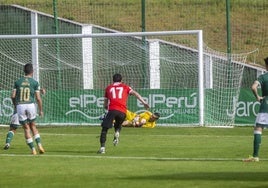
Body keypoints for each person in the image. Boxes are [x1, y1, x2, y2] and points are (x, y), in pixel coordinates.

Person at [97, 73, 149, 154]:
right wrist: (144, 102)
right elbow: (135, 93)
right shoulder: (125, 87)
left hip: (112, 110)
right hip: (122, 111)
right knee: (118, 124)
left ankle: (102, 148)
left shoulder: (108, 88)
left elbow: (105, 103)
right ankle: (117, 132)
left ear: (112, 80)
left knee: (104, 129)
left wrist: (106, 107)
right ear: (121, 80)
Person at [11, 63, 45, 155]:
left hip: (20, 105)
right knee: (33, 126)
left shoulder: (17, 82)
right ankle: (40, 145)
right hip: (30, 105)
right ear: (32, 72)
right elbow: (38, 98)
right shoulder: (35, 82)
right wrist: (41, 110)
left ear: (24, 71)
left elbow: (13, 96)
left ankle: (33, 149)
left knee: (26, 128)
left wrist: (15, 105)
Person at [243, 57, 268, 162]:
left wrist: (258, 97)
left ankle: (255, 156)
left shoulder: (263, 77)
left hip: (266, 104)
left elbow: (253, 87)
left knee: (258, 129)